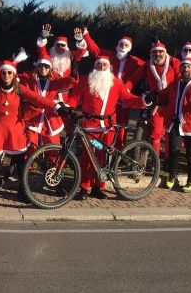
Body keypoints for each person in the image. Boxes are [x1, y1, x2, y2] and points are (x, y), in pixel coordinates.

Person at [0, 61, 62, 205]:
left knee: (20, 164)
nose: (6, 75)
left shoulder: (19, 89)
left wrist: (56, 106)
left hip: (15, 130)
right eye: (4, 73)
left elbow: (37, 99)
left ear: (13, 74)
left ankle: (23, 192)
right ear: (0, 74)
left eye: (9, 73)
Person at [62, 56, 153, 199]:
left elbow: (128, 99)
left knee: (103, 157)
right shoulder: (86, 80)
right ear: (95, 66)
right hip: (90, 127)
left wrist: (143, 100)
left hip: (108, 127)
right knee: (88, 157)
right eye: (99, 65)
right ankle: (85, 187)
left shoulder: (115, 82)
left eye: (105, 65)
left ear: (109, 67)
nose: (102, 67)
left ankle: (99, 186)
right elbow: (75, 97)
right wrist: (67, 107)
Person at [78, 28, 146, 144]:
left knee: (122, 127)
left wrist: (129, 85)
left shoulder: (135, 61)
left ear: (129, 47)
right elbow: (95, 49)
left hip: (123, 97)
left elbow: (148, 67)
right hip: (109, 95)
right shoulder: (109, 56)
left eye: (126, 45)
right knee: (110, 124)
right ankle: (104, 148)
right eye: (121, 44)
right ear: (118, 45)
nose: (123, 46)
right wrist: (86, 35)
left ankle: (119, 151)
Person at [161, 58, 191, 192]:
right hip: (176, 124)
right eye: (183, 67)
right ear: (180, 69)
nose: (185, 69)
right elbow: (164, 94)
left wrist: (183, 117)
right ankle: (172, 175)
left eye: (188, 67)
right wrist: (153, 96)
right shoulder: (175, 83)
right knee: (173, 151)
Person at [126, 41, 181, 154]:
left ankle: (167, 159)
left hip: (172, 103)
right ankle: (156, 161)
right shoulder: (147, 65)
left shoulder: (174, 63)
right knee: (155, 133)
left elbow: (181, 80)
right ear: (151, 54)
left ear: (165, 53)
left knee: (170, 132)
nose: (158, 54)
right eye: (155, 52)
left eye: (161, 52)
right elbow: (133, 79)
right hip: (156, 103)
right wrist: (124, 91)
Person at [18, 57, 76, 150]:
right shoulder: (28, 78)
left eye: (46, 66)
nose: (43, 69)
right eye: (40, 66)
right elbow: (13, 77)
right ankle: (28, 164)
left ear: (50, 68)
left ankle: (53, 164)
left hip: (50, 118)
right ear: (36, 67)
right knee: (30, 147)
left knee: (53, 148)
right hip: (32, 118)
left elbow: (67, 82)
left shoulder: (55, 79)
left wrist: (73, 76)